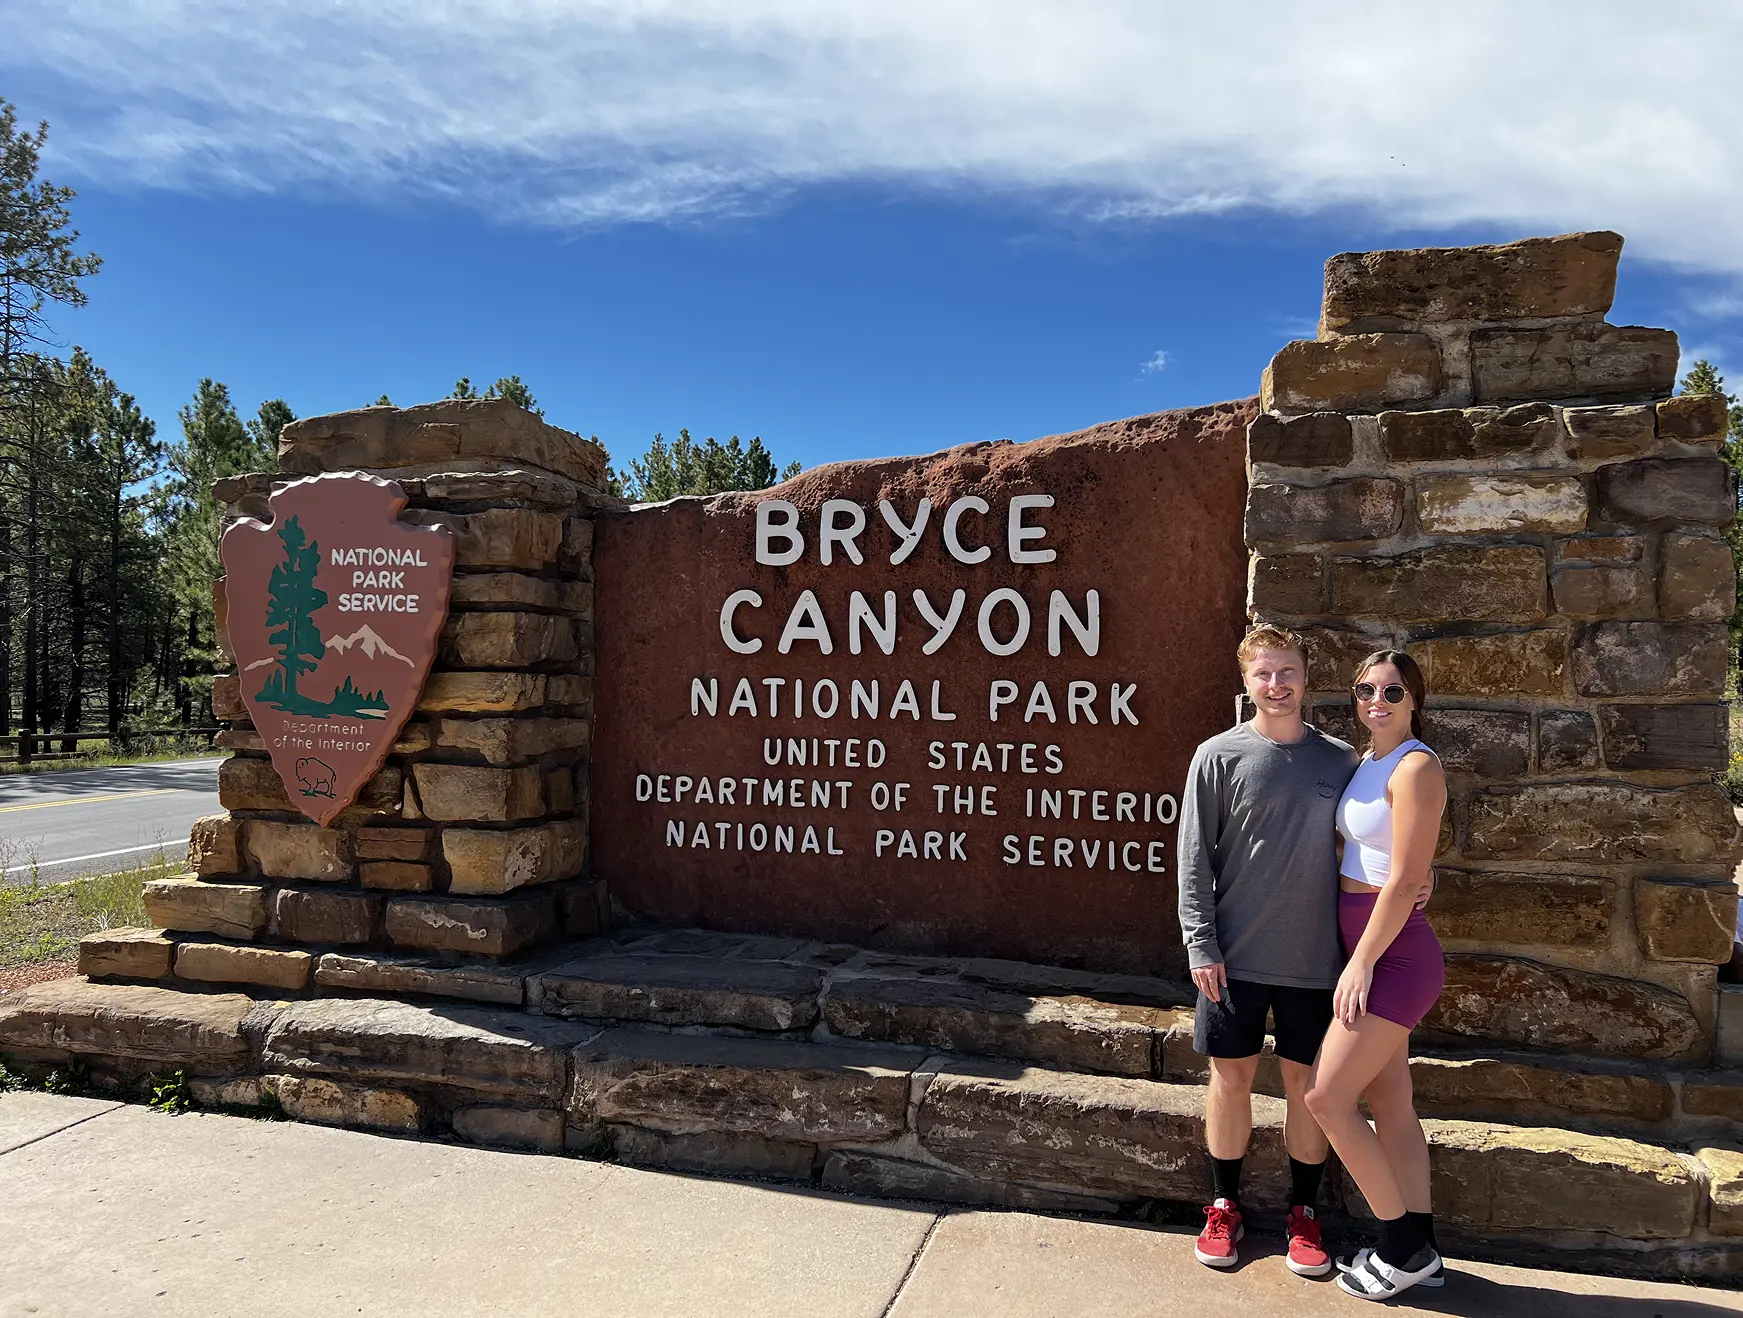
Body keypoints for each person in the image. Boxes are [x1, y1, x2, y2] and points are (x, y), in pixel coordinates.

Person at [1177, 624, 1359, 1278]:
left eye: (1286, 672)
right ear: (1245, 681)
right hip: (1232, 960)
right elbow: (1193, 860)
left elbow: (1374, 847)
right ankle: (1222, 1205)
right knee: (1229, 1081)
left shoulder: (1340, 762)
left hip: (1316, 965)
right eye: (1263, 673)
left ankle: (1302, 1215)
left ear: (1306, 678)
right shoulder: (1217, 757)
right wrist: (1200, 943)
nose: (1275, 685)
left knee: (1306, 1088)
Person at [1304, 649, 1448, 1302]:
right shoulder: (1367, 761)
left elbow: (1405, 878)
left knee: (1326, 1098)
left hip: (1392, 958)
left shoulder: (1416, 766)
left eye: (1392, 691)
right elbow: (1377, 855)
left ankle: (1399, 1250)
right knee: (1388, 1101)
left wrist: (1358, 962)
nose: (1377, 701)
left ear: (1414, 699)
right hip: (1368, 943)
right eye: (1366, 689)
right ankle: (1422, 1245)